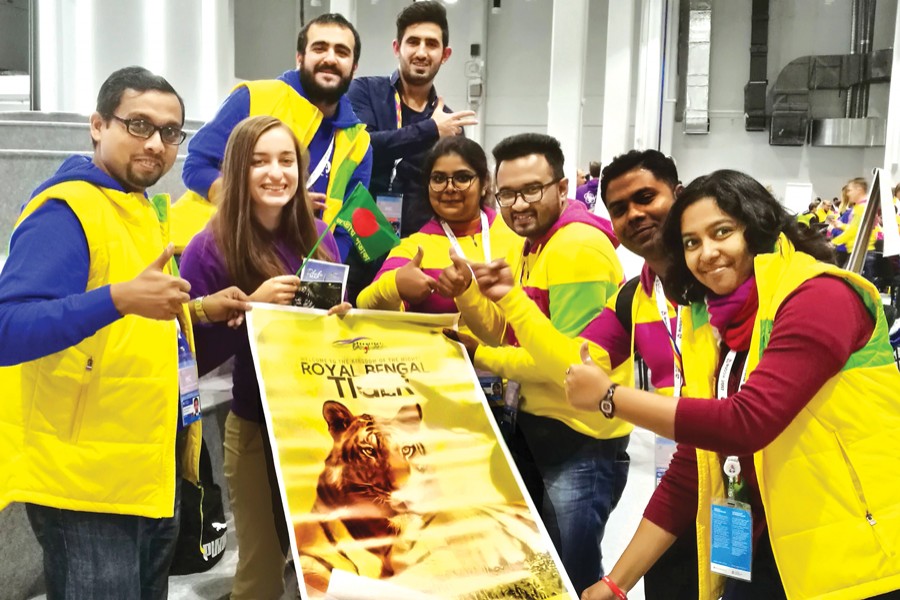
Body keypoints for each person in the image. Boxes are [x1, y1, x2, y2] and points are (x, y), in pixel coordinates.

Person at [566, 170, 900, 600]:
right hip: (768, 545)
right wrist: (616, 582)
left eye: (721, 232)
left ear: (757, 226)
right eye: (691, 243)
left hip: (856, 558)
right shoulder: (714, 319)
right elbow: (695, 464)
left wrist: (611, 399)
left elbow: (747, 422)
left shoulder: (820, 296)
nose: (707, 253)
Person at [0, 66, 249, 599]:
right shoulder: (68, 210)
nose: (156, 143)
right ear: (97, 124)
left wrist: (199, 309)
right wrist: (118, 299)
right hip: (87, 485)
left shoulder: (137, 206)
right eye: (138, 124)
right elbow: (9, 328)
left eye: (170, 132)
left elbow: (134, 317)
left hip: (145, 468)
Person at [470, 149, 698, 600]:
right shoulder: (638, 296)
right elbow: (574, 361)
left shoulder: (577, 247)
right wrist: (502, 298)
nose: (634, 214)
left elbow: (744, 417)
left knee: (570, 567)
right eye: (619, 208)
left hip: (591, 441)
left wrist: (611, 397)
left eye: (646, 197)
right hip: (685, 471)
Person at [444, 133, 630, 595]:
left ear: (562, 188)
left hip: (582, 441)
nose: (518, 204)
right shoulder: (532, 246)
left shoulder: (577, 248)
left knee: (573, 576)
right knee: (540, 569)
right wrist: (467, 293)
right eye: (507, 193)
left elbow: (567, 366)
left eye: (532, 189)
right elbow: (510, 332)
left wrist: (481, 358)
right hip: (540, 427)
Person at [180, 115, 341, 600]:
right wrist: (252, 309)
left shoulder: (318, 234)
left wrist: (340, 320)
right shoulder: (207, 248)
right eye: (259, 161)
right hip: (252, 424)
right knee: (259, 569)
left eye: (287, 160)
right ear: (236, 169)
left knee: (327, 563)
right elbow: (194, 360)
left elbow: (322, 339)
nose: (276, 173)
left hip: (319, 427)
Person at [176, 13, 371, 270]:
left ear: (354, 66)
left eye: (342, 52)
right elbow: (196, 168)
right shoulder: (256, 97)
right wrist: (270, 204)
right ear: (300, 57)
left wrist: (323, 271)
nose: (330, 58)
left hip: (295, 270)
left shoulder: (360, 142)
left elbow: (349, 224)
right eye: (320, 48)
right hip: (217, 255)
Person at [357, 136, 519, 329]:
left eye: (462, 178)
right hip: (443, 357)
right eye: (439, 179)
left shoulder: (517, 235)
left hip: (517, 355)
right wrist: (396, 285)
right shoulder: (415, 247)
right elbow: (365, 304)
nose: (449, 188)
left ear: (484, 183)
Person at [348, 0, 477, 240]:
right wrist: (430, 129)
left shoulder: (450, 124)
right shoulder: (364, 91)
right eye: (413, 42)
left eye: (431, 44)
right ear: (397, 48)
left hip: (418, 246)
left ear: (445, 54)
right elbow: (362, 146)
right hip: (356, 233)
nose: (421, 52)